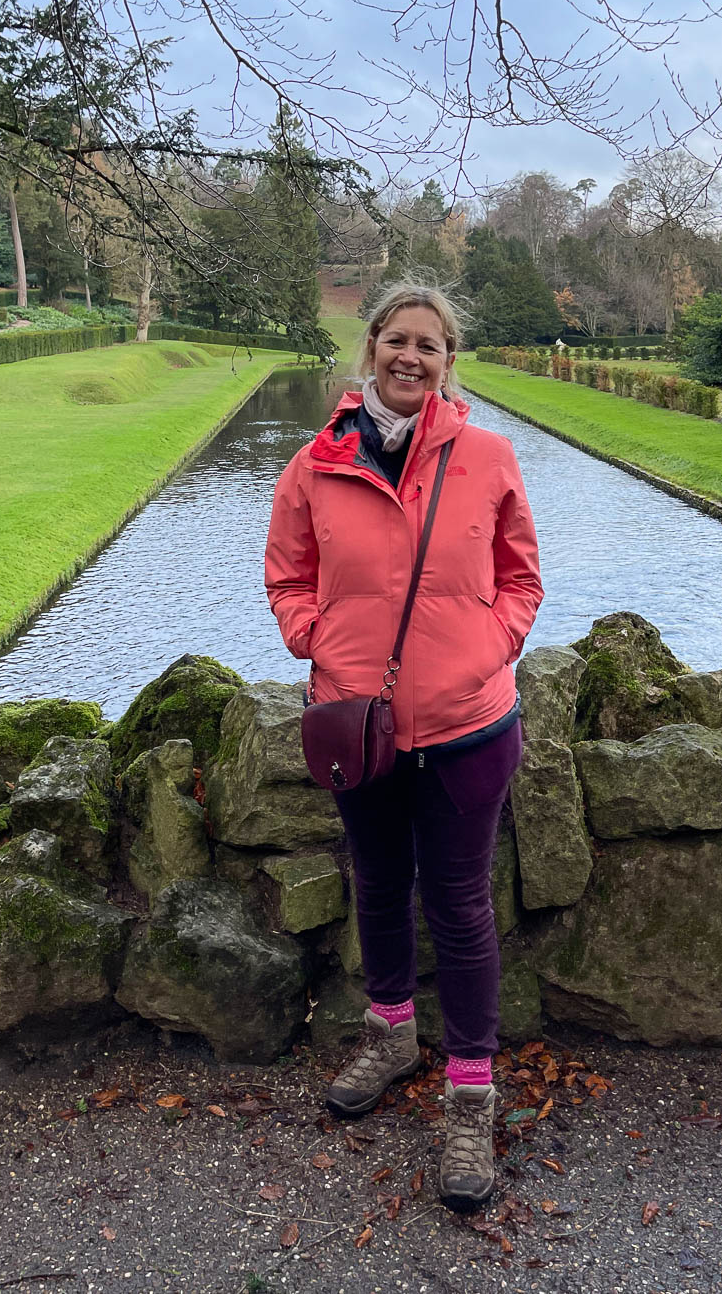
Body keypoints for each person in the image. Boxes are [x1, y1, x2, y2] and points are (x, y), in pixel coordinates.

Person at [264, 282, 543, 1211]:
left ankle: (471, 1091)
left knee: (459, 903)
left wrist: (487, 646)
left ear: (448, 359)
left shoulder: (488, 456)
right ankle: (390, 1034)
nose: (410, 356)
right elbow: (287, 575)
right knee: (379, 884)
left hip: (469, 724)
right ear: (372, 347)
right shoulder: (316, 463)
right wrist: (319, 639)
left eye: (429, 344)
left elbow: (522, 577)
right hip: (359, 719)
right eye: (396, 339)